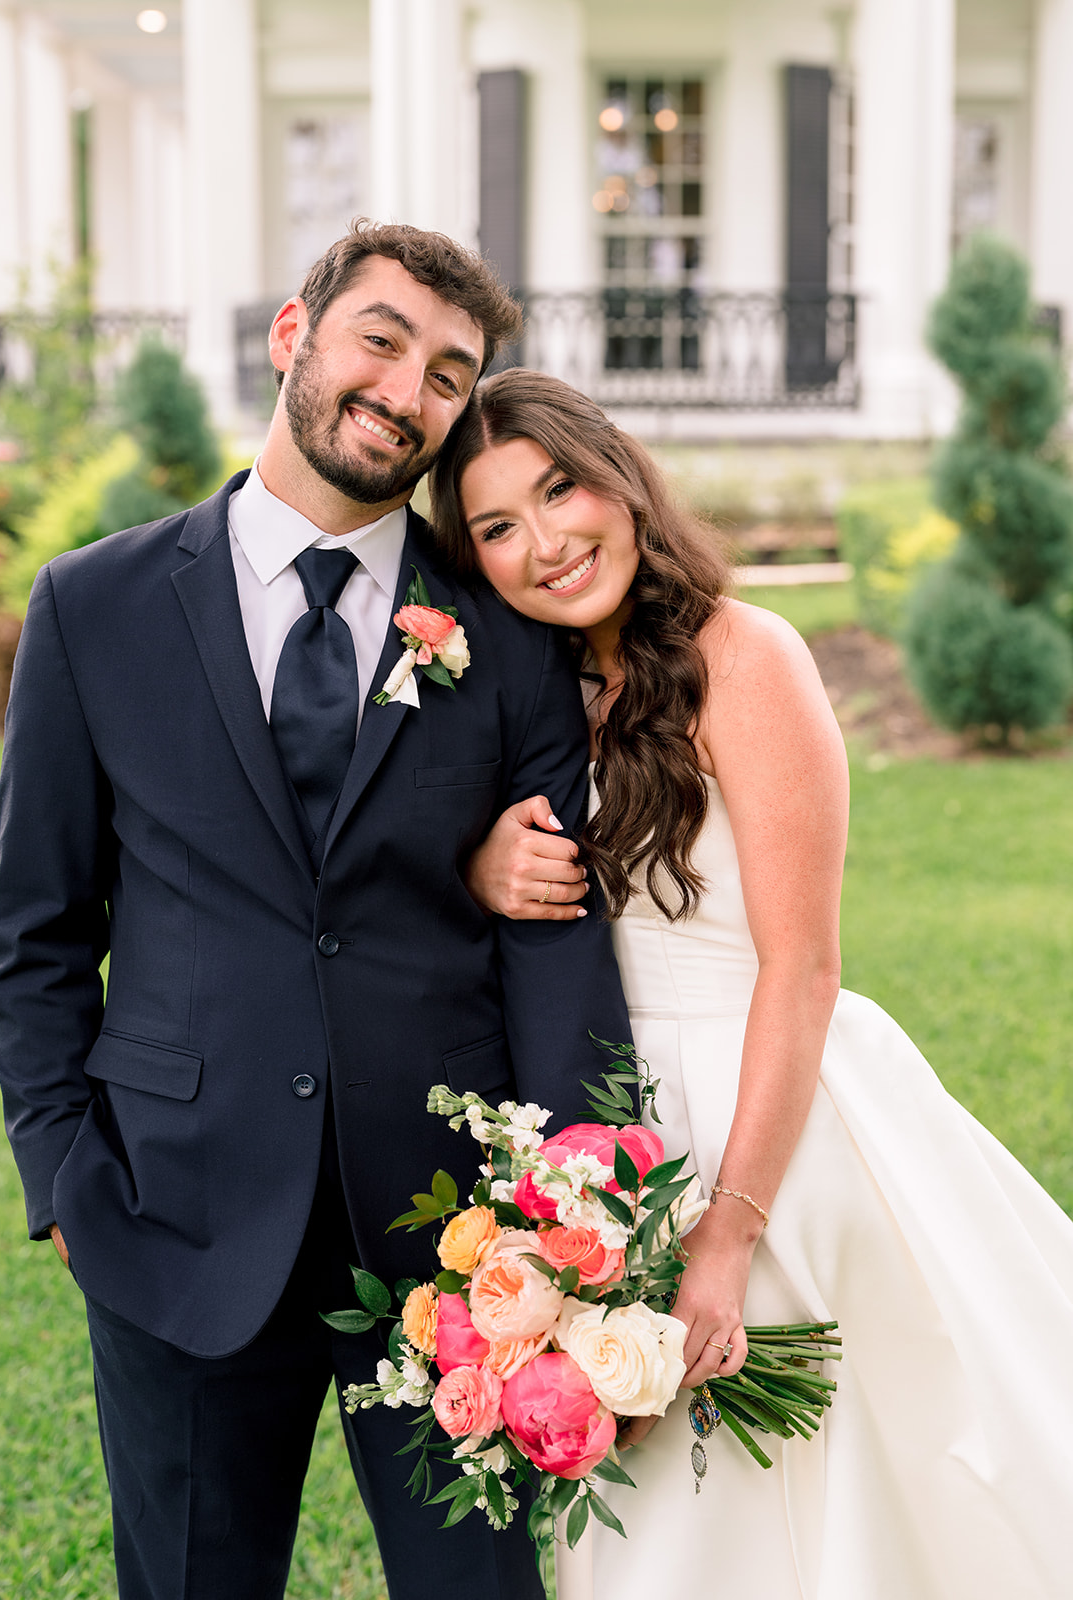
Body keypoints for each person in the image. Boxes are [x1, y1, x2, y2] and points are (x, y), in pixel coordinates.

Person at [0, 227, 631, 1600]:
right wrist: (63, 1185)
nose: (408, 390)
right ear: (295, 335)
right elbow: (38, 927)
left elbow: (556, 942)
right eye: (381, 340)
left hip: (462, 1247)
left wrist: (568, 1213)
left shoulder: (503, 636)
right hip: (176, 1213)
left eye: (450, 373)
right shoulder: (93, 608)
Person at [429, 367, 1073, 1600]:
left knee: (820, 1490)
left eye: (560, 489)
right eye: (500, 527)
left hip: (767, 1108)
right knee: (660, 1504)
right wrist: (481, 864)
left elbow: (804, 963)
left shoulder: (746, 653)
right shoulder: (539, 687)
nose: (547, 541)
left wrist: (730, 1226)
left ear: (619, 476)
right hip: (610, 1131)